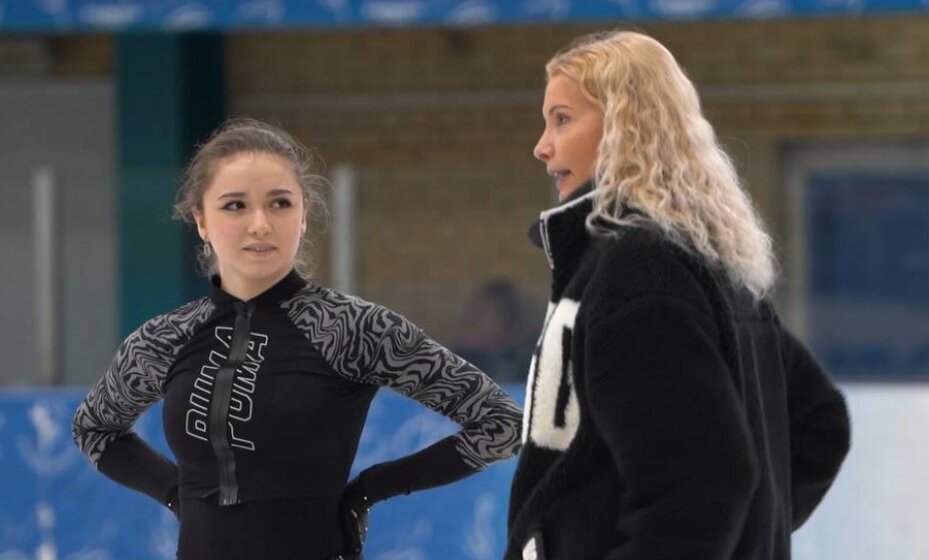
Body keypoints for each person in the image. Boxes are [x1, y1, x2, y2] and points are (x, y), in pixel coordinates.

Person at [71, 118, 522, 560]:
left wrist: (369, 490)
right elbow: (95, 429)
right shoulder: (165, 338)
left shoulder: (352, 328)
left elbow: (500, 424)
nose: (261, 224)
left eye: (280, 203)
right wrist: (174, 494)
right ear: (201, 220)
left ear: (304, 216)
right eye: (235, 205)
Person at [506, 31, 850, 560]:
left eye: (562, 118)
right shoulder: (711, 262)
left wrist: (736, 535)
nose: (541, 145)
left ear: (626, 126)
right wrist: (752, 536)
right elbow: (819, 423)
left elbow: (705, 486)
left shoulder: (639, 270)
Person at [454, 279, 538, 384]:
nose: (472, 320)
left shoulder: (527, 358)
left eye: (482, 312)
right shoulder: (463, 356)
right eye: (473, 311)